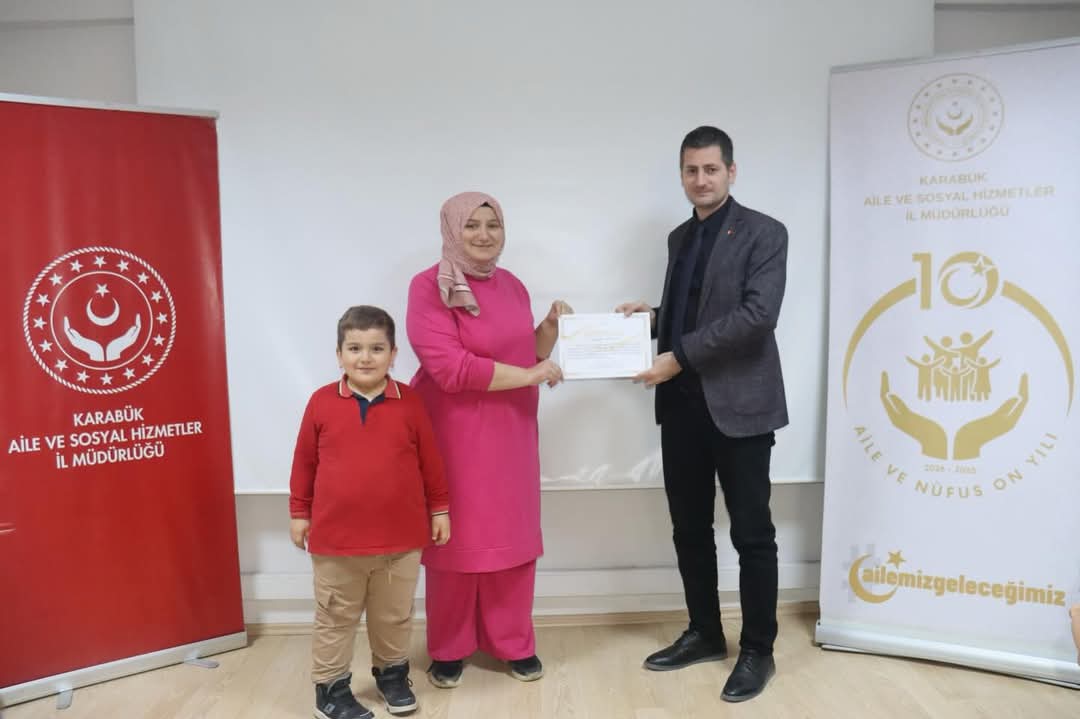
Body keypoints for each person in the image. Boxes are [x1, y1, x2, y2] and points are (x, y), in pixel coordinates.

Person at [617, 126, 788, 703]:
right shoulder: (679, 237)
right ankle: (706, 633)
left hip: (741, 408)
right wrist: (651, 318)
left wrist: (678, 356)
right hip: (683, 408)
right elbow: (695, 309)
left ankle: (758, 650)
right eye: (691, 170)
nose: (701, 179)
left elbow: (757, 316)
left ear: (731, 172)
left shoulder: (765, 232)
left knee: (752, 534)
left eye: (711, 169)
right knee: (689, 529)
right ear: (682, 175)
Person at [406, 191, 570, 688]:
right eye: (471, 225)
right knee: (454, 539)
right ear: (451, 230)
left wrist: (550, 328)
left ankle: (513, 643)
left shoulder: (513, 285)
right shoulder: (428, 287)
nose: (483, 235)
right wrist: (532, 375)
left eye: (492, 225)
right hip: (453, 435)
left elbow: (525, 354)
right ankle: (449, 647)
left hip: (511, 432)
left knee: (512, 537)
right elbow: (451, 369)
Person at [289, 305, 450, 719]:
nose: (365, 357)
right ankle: (331, 689)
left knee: (393, 616)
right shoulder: (321, 403)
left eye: (377, 348)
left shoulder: (410, 403)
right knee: (335, 617)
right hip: (336, 544)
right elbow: (304, 463)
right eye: (355, 348)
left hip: (401, 542)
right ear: (339, 354)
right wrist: (299, 512)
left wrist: (440, 509)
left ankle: (392, 676)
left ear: (393, 354)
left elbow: (431, 462)